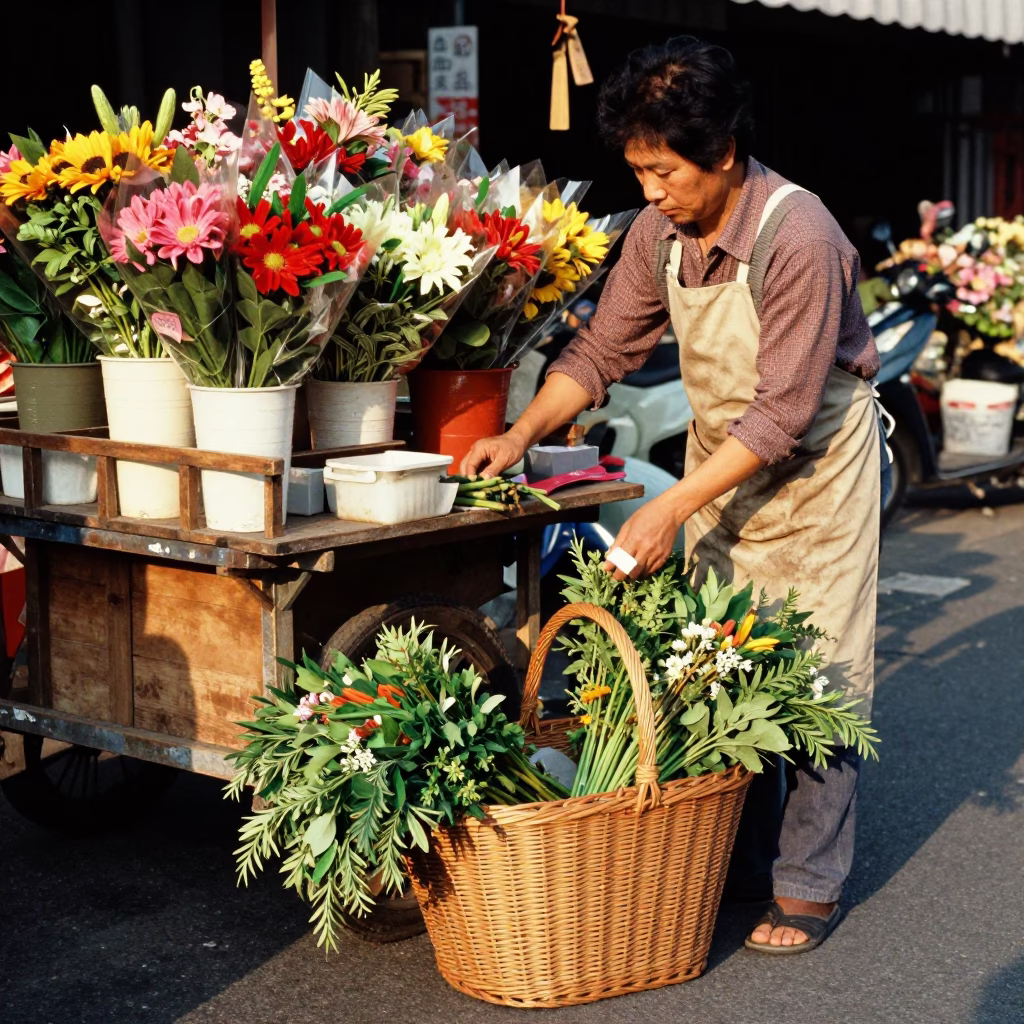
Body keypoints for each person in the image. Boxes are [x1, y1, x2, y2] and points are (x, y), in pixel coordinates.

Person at [461, 36, 891, 954]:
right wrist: (520, 434)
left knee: (821, 668)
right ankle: (735, 853)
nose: (651, 191)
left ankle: (809, 885)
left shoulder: (799, 236)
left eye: (665, 171)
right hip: (719, 460)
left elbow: (780, 417)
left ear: (724, 153)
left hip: (815, 468)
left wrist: (668, 506)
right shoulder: (660, 230)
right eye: (640, 170)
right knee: (716, 653)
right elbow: (599, 352)